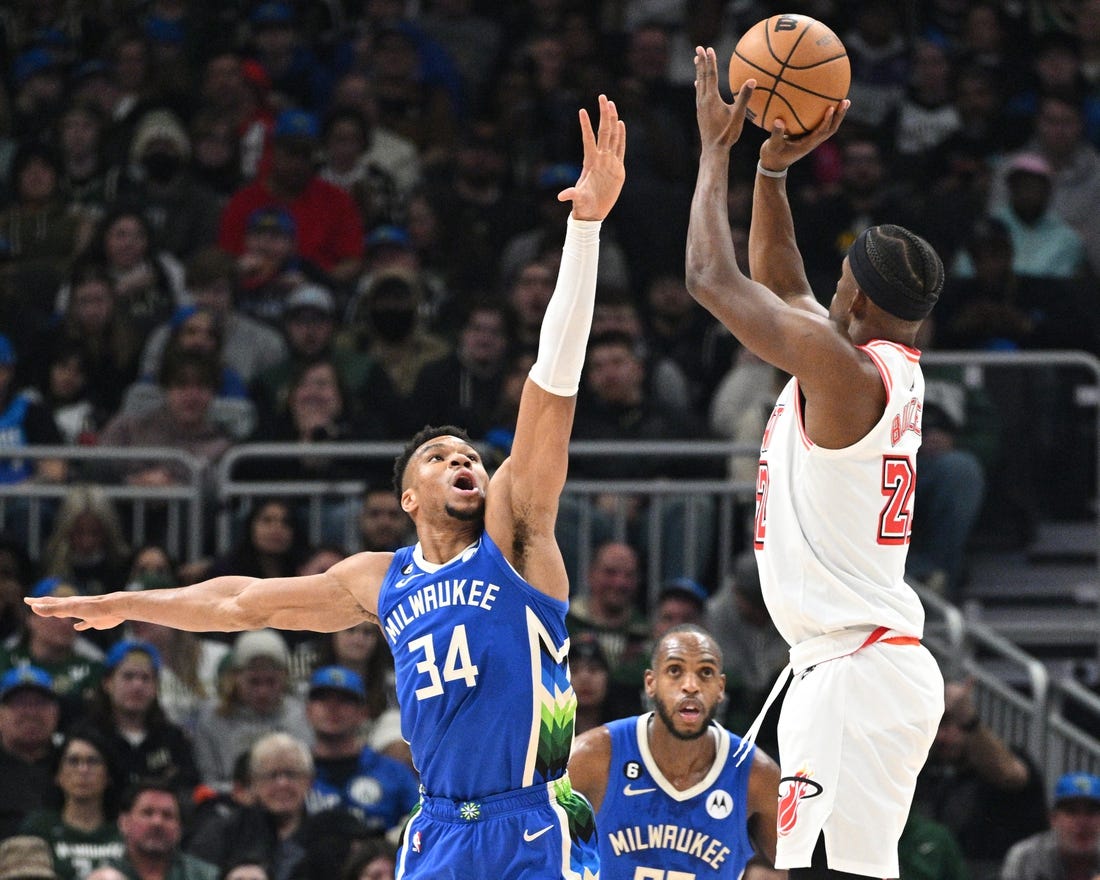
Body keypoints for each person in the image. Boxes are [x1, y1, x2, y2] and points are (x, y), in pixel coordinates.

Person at [28, 92, 627, 880]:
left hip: (532, 821)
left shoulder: (515, 540)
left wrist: (583, 233)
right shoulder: (380, 579)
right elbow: (239, 603)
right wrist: (125, 607)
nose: (465, 464)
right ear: (407, 497)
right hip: (439, 829)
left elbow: (551, 392)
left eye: (471, 458)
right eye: (440, 457)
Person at [686, 48, 946, 880]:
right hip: (874, 667)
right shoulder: (873, 368)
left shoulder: (846, 375)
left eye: (839, 283)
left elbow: (710, 278)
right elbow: (787, 288)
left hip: (851, 671)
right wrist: (769, 174)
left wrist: (716, 149)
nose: (824, 290)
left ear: (859, 302)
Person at [568, 624, 781, 880]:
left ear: (721, 688)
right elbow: (531, 845)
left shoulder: (756, 774)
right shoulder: (593, 756)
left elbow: (800, 867)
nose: (690, 686)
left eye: (705, 672)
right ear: (651, 683)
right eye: (675, 671)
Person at [303, 665, 419, 835]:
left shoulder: (395, 773)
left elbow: (420, 825)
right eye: (323, 698)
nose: (333, 707)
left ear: (363, 712)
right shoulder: (291, 774)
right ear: (307, 710)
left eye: (345, 700)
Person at [21, 731, 126, 880]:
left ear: (108, 775)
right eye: (73, 761)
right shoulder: (39, 828)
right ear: (58, 775)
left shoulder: (126, 829)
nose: (83, 770)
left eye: (93, 761)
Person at [108, 781, 218, 880]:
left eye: (167, 815)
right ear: (124, 823)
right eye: (147, 813)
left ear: (179, 828)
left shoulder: (205, 876)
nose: (157, 822)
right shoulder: (104, 874)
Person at [1001, 772, 1100, 880]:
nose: (1082, 822)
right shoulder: (1025, 856)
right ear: (1053, 819)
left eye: (1091, 812)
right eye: (1071, 812)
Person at [0, 666, 62, 837]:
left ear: (56, 713)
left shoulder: (71, 764)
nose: (31, 713)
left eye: (40, 703)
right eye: (19, 703)